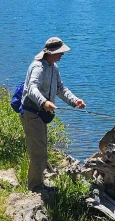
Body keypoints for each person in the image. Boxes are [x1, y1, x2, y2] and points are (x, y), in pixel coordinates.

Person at [21, 36, 86, 191]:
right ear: (50, 52)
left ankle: (37, 183)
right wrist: (44, 102)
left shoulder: (53, 67)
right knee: (39, 152)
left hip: (41, 115)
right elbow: (32, 88)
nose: (62, 55)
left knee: (41, 149)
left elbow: (60, 89)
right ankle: (35, 187)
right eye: (60, 52)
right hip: (31, 113)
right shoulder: (38, 67)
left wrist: (75, 101)